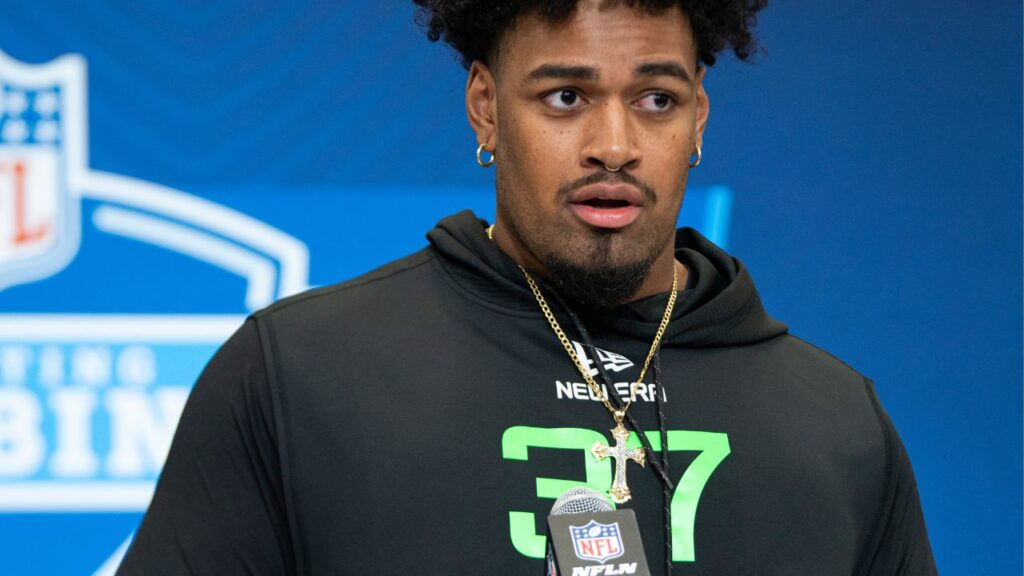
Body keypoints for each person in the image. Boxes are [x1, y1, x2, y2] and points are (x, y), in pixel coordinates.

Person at [117, 1, 937, 574]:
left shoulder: (838, 422)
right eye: (566, 96)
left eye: (656, 99)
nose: (612, 145)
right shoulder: (295, 374)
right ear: (484, 108)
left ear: (698, 123)